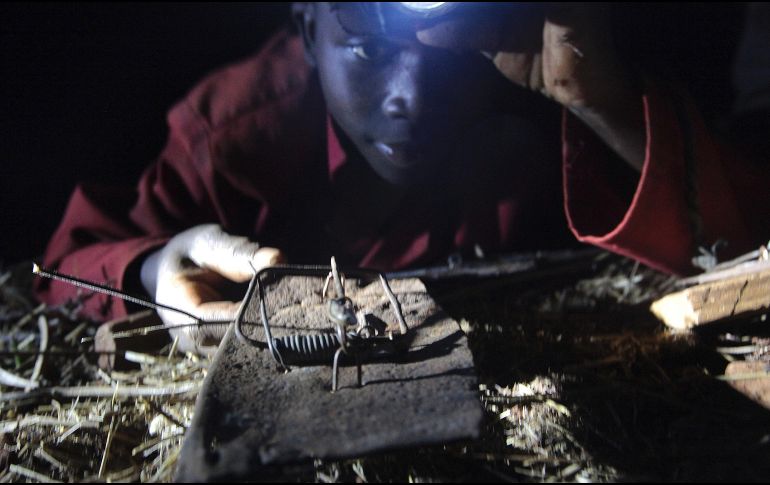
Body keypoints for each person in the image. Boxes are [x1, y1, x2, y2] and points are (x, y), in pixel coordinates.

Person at [36, 3, 769, 353]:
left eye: (444, 53)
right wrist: (158, 267)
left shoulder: (525, 86)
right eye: (365, 51)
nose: (411, 97)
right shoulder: (237, 133)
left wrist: (597, 100)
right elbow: (68, 261)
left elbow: (741, 247)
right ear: (306, 28)